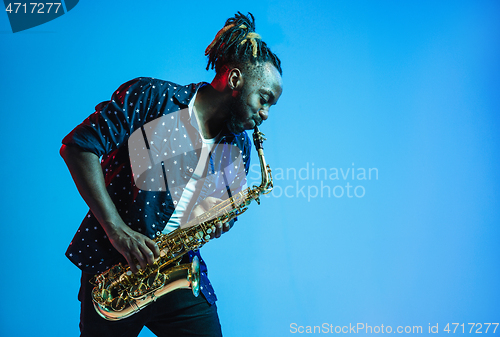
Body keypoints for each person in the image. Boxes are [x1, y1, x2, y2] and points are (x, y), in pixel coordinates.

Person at [60, 12, 283, 337]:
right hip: (115, 271)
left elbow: (216, 210)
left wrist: (217, 218)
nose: (264, 114)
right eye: (264, 99)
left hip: (176, 271)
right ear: (235, 80)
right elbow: (78, 148)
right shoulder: (153, 98)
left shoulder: (240, 147)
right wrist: (117, 230)